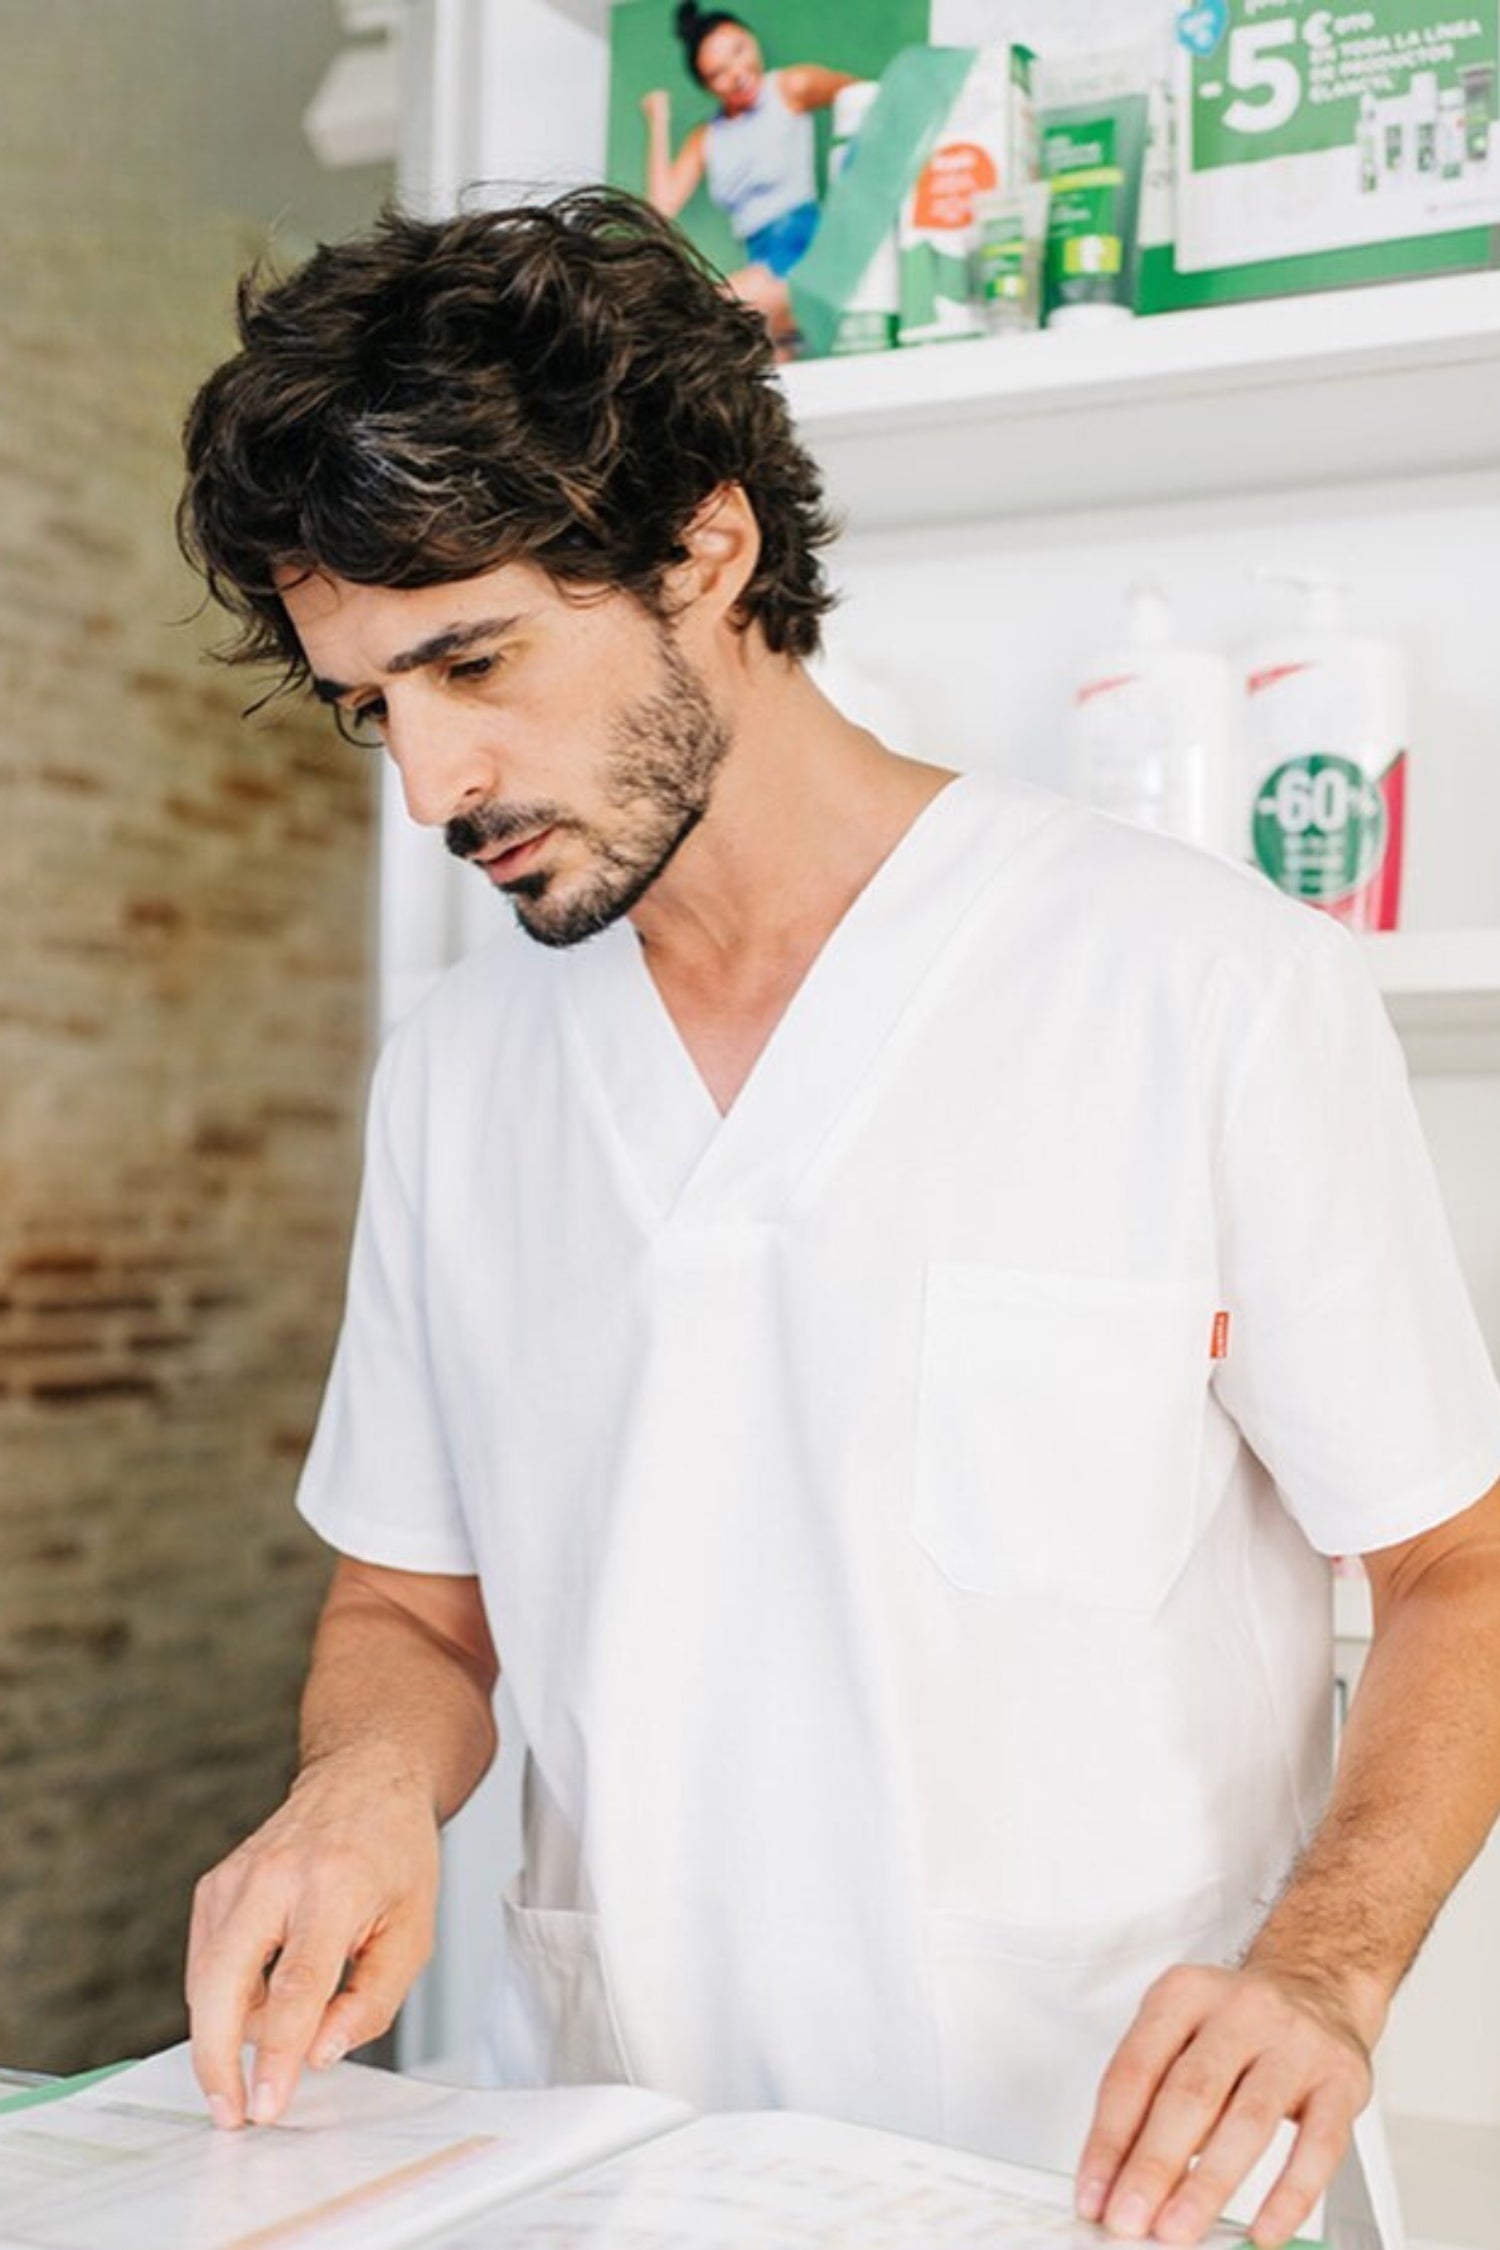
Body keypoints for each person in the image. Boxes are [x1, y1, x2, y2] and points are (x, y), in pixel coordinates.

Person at [177, 188, 1500, 2250]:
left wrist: (1327, 1966)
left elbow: (1459, 1570)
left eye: (476, 658)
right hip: (608, 2169)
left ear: (706, 548)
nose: (430, 782)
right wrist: (357, 1785)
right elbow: (414, 1611)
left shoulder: (1204, 989)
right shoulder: (460, 1075)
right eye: (373, 705)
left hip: (1097, 2178)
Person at [641, 5, 856, 277]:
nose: (738, 74)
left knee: (722, 304)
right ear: (707, 87)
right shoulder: (707, 136)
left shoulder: (790, 88)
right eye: (719, 73)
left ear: (751, 38)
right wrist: (658, 121)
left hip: (803, 245)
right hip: (758, 259)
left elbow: (865, 95)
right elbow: (661, 208)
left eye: (739, 50)